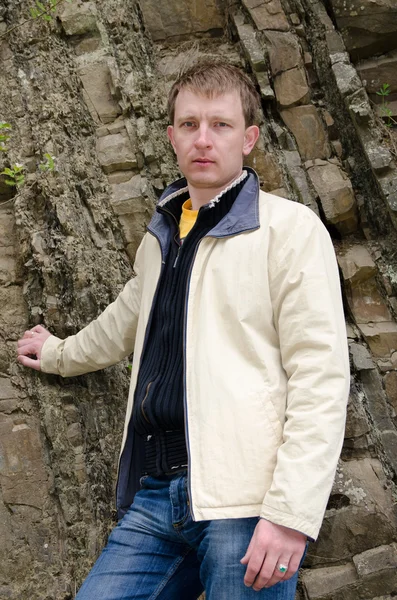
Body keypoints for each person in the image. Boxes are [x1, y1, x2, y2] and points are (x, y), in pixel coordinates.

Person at [17, 60, 350, 599]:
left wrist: (290, 513)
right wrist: (55, 353)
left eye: (220, 124)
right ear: (171, 137)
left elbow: (322, 376)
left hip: (246, 501)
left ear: (249, 138)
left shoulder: (288, 230)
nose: (203, 138)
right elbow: (123, 323)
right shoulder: (163, 237)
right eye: (190, 124)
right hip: (155, 494)